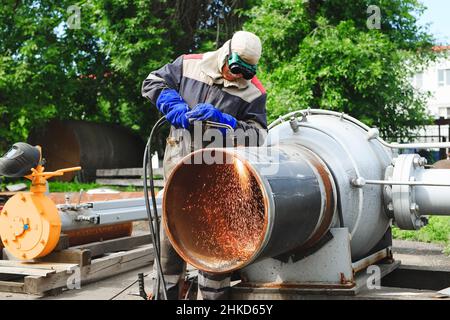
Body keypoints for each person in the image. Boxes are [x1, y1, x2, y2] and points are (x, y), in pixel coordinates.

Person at [141, 31, 267, 300]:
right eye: (235, 70)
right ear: (225, 54)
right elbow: (152, 82)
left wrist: (228, 123)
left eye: (246, 73)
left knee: (215, 251)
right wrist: (172, 105)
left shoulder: (253, 91)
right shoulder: (189, 64)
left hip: (219, 181)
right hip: (178, 176)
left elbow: (259, 136)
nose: (238, 78)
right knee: (169, 247)